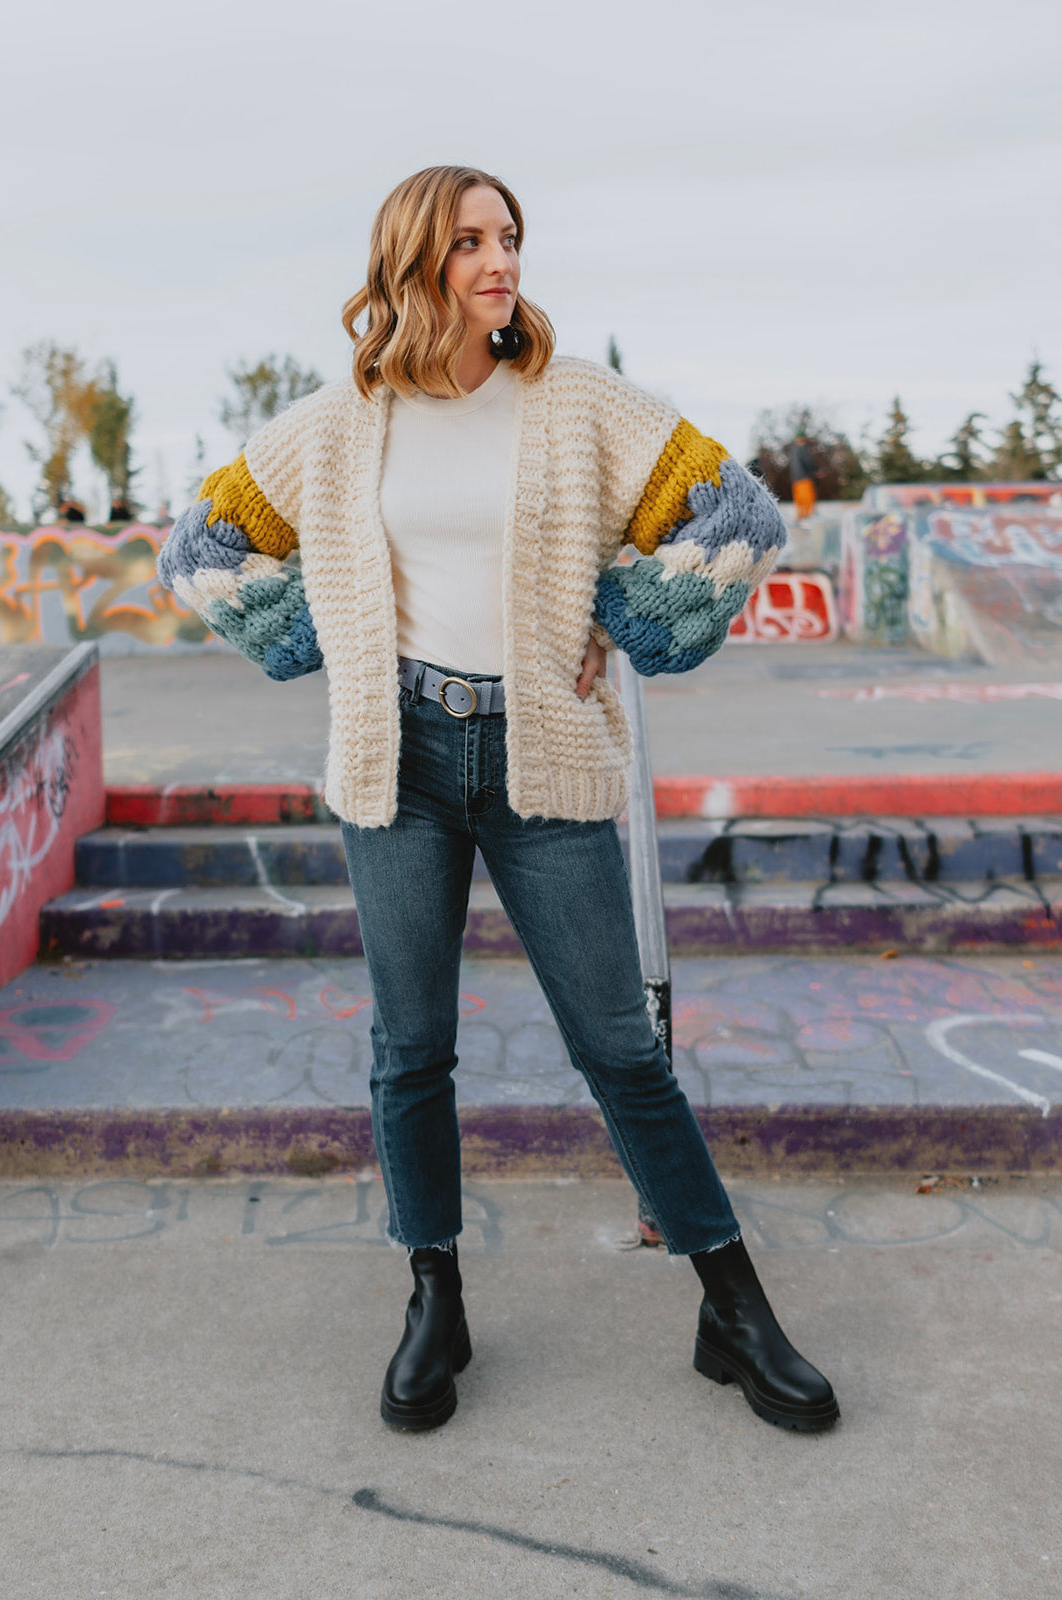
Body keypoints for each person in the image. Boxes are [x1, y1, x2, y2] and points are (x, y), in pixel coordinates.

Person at [157, 165, 838, 1436]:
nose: (500, 259)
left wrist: (626, 616)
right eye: (470, 240)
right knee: (411, 1048)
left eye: (510, 236)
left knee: (620, 1049)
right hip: (398, 763)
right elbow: (201, 546)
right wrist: (319, 636)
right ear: (414, 260)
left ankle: (734, 1306)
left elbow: (736, 512)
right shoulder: (337, 421)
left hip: (544, 756)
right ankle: (435, 1297)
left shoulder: (576, 400)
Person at [789, 432, 818, 521]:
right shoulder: (802, 448)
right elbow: (807, 461)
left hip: (795, 480)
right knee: (808, 498)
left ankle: (800, 516)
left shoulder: (792, 450)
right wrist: (816, 469)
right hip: (804, 478)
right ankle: (808, 517)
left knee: (799, 499)